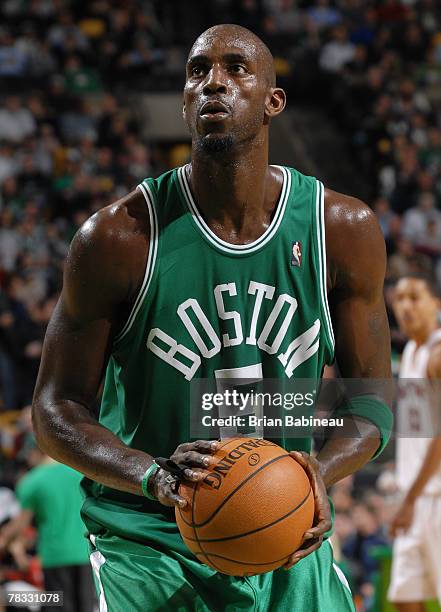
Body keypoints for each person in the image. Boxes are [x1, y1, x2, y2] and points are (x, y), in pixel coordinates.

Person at [32, 24, 392, 611]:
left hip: (283, 532)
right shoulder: (118, 238)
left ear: (274, 101)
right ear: (182, 101)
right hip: (148, 543)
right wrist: (149, 473)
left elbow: (374, 402)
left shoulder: (341, 231)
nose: (213, 83)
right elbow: (53, 410)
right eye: (198, 71)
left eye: (235, 69)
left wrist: (316, 475)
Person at [388, 274, 441, 612]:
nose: (405, 306)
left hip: (435, 496)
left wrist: (409, 498)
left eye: (415, 297)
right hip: (414, 495)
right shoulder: (409, 351)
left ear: (436, 303)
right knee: (406, 598)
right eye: (400, 298)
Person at [0, 447, 95, 612]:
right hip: (86, 553)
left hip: (55, 556)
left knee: (59, 606)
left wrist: (5, 537)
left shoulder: (32, 481)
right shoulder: (80, 473)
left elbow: (20, 525)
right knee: (86, 606)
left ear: (37, 452)